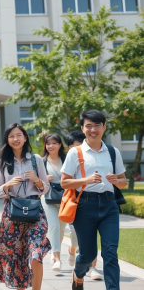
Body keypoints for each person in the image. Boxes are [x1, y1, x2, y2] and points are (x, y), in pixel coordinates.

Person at [61, 111, 127, 290]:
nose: (93, 129)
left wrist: (116, 181)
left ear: (104, 127)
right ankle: (79, 272)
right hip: (84, 206)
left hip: (109, 205)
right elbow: (64, 182)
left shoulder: (113, 152)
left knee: (110, 253)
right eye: (89, 126)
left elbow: (123, 182)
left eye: (97, 125)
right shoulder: (75, 152)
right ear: (82, 128)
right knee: (88, 254)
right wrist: (85, 181)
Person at [0, 123, 51, 290]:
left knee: (36, 254)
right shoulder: (2, 163)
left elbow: (45, 187)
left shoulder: (36, 159)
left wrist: (36, 179)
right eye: (11, 136)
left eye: (19, 135)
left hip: (35, 212)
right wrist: (7, 185)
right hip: (12, 214)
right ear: (7, 140)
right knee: (17, 258)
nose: (15, 139)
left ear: (25, 137)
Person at [66, 131, 102, 281]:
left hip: (95, 203)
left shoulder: (94, 158)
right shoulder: (69, 159)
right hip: (75, 204)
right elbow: (64, 182)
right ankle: (72, 249)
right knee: (77, 239)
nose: (78, 149)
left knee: (92, 239)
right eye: (74, 147)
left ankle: (92, 268)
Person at [40, 133, 70, 272]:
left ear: (59, 145)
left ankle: (53, 251)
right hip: (48, 198)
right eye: (48, 143)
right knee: (53, 227)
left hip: (65, 199)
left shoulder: (67, 159)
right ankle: (57, 259)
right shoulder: (42, 161)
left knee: (62, 228)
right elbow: (36, 182)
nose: (51, 146)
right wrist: (44, 178)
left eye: (54, 143)